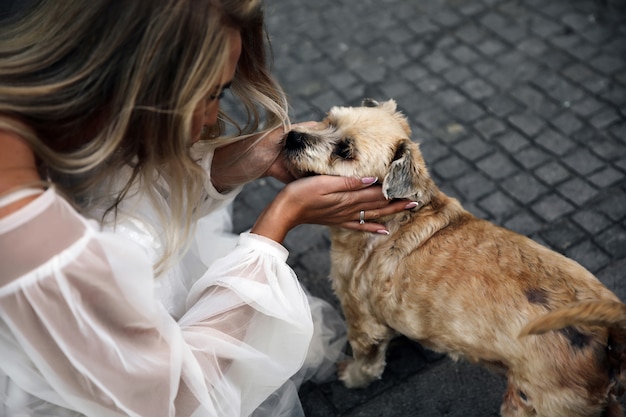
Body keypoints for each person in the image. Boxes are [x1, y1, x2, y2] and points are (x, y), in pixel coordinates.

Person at [0, 1, 414, 416]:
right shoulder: (46, 260)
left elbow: (130, 191)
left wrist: (252, 158)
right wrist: (273, 229)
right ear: (129, 85)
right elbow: (175, 398)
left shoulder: (42, 122)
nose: (212, 119)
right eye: (207, 95)